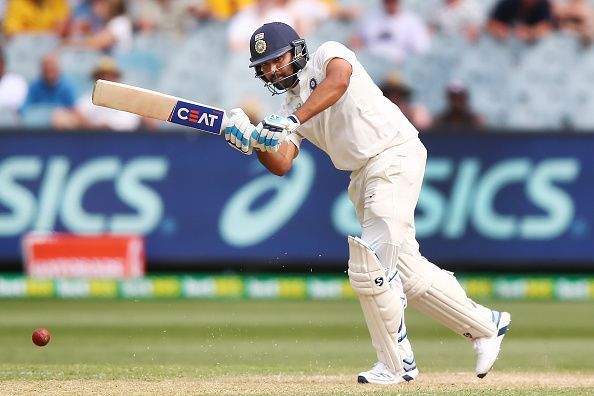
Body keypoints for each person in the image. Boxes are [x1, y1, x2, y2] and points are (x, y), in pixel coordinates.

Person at [223, 22, 511, 384]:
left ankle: (396, 364)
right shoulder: (289, 105)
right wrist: (254, 143)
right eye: (263, 66)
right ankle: (487, 326)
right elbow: (281, 164)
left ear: (296, 51)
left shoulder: (329, 54)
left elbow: (338, 82)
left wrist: (290, 120)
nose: (270, 70)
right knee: (407, 273)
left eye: (275, 60)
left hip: (393, 154)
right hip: (362, 176)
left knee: (369, 264)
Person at [52, 56, 142, 130]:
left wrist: (109, 125)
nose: (107, 78)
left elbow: (131, 122)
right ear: (96, 78)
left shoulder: (127, 100)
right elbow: (78, 115)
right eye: (102, 75)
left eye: (110, 75)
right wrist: (92, 126)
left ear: (116, 78)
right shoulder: (87, 99)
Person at [350, 0, 431, 64]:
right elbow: (356, 40)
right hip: (370, 60)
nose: (390, 3)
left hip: (396, 65)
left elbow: (420, 50)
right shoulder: (370, 16)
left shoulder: (412, 21)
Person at [486, 0, 554, 42]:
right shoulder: (508, 2)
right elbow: (490, 23)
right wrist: (501, 30)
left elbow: (546, 26)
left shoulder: (543, 4)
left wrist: (531, 32)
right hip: (504, 46)